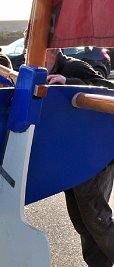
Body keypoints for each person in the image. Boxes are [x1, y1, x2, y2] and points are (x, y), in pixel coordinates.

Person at [45, 48, 114, 267]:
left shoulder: (72, 66)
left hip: (94, 155)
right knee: (82, 222)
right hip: (73, 156)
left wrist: (68, 81)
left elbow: (108, 88)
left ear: (52, 51)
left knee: (96, 219)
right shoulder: (43, 71)